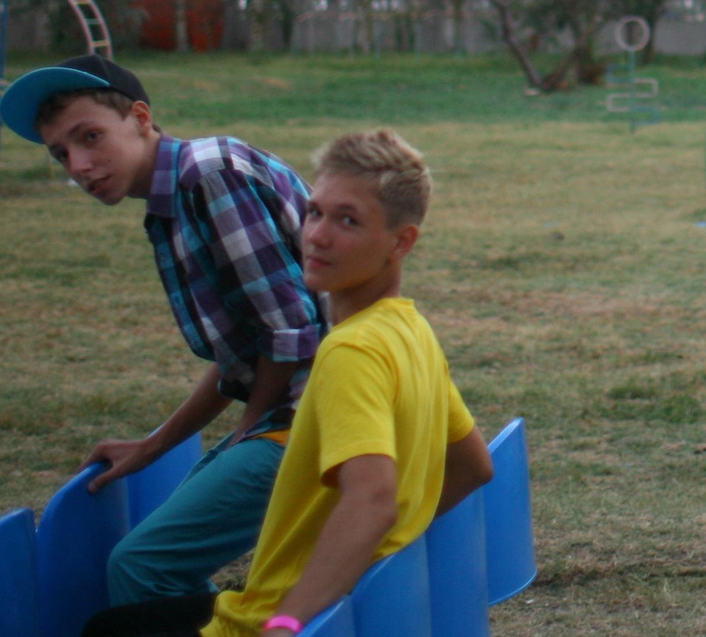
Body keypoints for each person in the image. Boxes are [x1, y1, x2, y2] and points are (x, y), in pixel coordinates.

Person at [86, 128, 494, 637]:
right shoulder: (412, 332)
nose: (318, 235)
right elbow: (474, 466)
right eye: (315, 212)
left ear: (401, 241)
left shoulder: (350, 350)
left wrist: (287, 620)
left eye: (348, 220)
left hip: (263, 623)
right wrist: (363, 564)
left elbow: (372, 499)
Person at [0, 55, 325, 609]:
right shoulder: (176, 198)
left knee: (142, 566)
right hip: (296, 412)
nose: (78, 165)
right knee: (162, 558)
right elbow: (240, 354)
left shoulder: (208, 177)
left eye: (91, 136)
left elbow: (290, 332)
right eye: (61, 154)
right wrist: (154, 445)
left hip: (318, 419)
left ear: (142, 118)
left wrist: (249, 428)